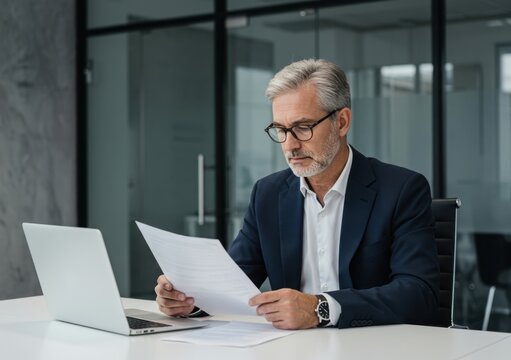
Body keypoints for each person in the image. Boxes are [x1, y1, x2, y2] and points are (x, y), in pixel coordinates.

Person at [155, 59, 439, 330]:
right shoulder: (268, 193)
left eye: (303, 128)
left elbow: (418, 293)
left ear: (341, 122)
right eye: (280, 129)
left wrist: (319, 308)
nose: (290, 145)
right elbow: (232, 283)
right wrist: (189, 301)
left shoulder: (401, 189)